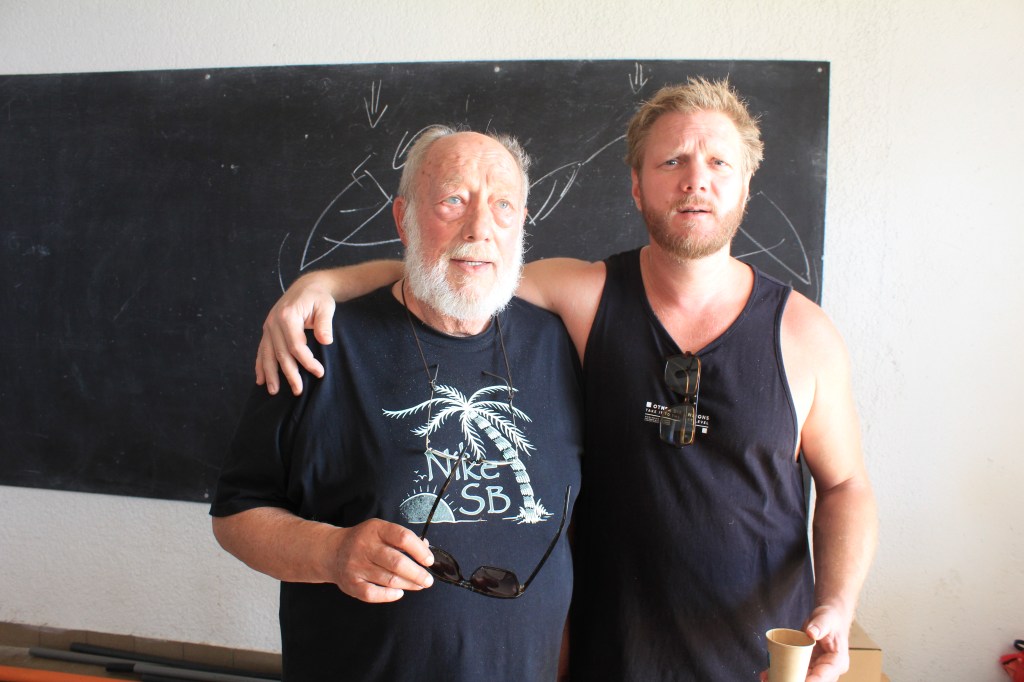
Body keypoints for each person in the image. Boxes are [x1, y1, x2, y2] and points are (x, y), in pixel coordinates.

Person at [253, 78, 877, 682]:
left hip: (762, 661)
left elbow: (846, 485)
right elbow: (458, 265)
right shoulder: (584, 298)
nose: (696, 179)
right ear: (636, 186)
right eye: (672, 161)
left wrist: (837, 605)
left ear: (746, 184)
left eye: (719, 162)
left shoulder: (804, 334)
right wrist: (324, 283)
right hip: (608, 659)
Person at [211, 126, 583, 682]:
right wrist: (332, 552)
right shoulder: (321, 345)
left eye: (502, 205)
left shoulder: (561, 345)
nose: (480, 227)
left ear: (522, 222)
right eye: (453, 200)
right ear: (403, 218)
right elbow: (236, 515)